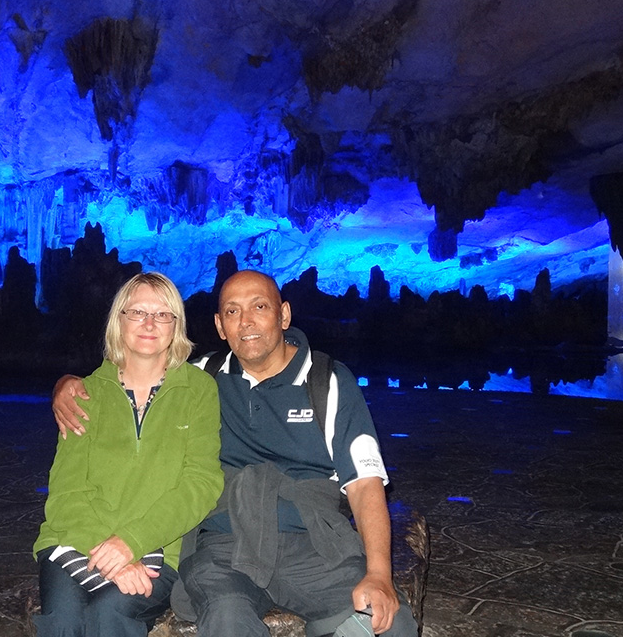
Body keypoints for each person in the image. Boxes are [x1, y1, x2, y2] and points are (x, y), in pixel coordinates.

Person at [53, 270, 418, 637]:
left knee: (391, 624)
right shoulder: (201, 378)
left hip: (312, 544)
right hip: (223, 546)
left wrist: (378, 574)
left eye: (259, 306)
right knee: (227, 619)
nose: (246, 322)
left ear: (284, 315)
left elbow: (365, 485)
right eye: (232, 311)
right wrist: (67, 385)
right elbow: (131, 374)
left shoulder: (328, 381)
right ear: (219, 325)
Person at [34, 272, 223, 637]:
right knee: (63, 622)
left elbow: (200, 483)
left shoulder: (199, 391)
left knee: (110, 615)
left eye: (162, 314)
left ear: (176, 325)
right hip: (76, 537)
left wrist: (131, 542)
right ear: (118, 321)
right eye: (137, 312)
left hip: (156, 545)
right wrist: (111, 557)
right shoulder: (85, 394)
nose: (149, 323)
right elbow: (67, 491)